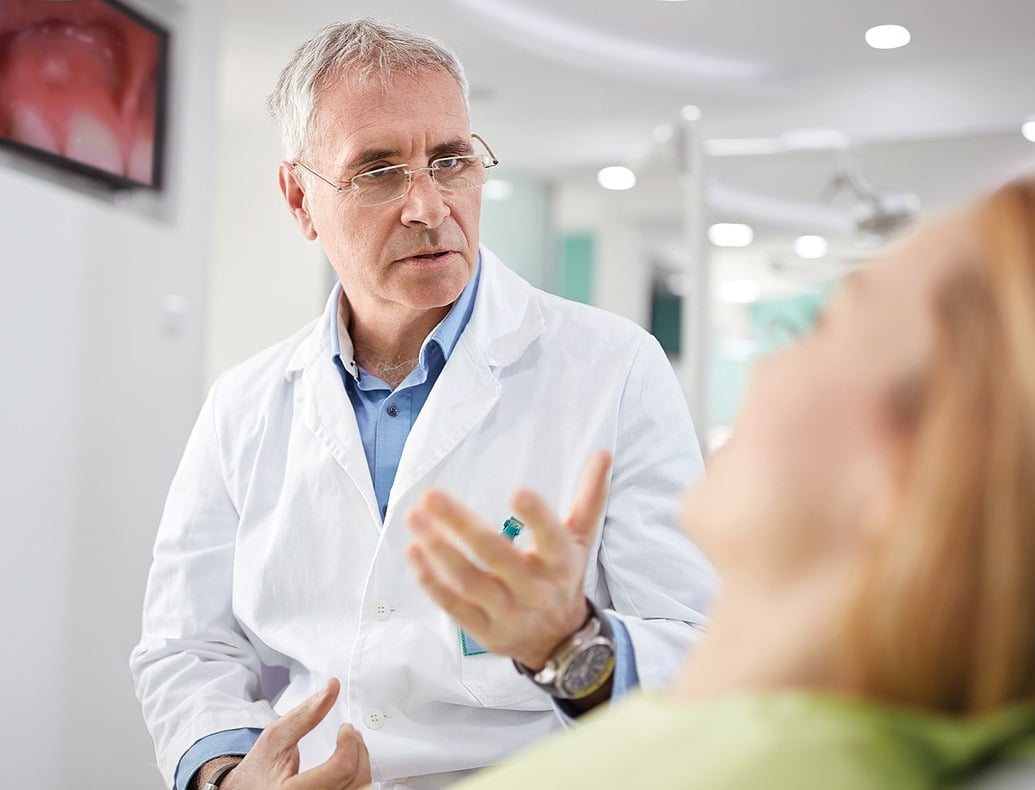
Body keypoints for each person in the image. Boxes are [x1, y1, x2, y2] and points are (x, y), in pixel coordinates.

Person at [129, 18, 715, 790]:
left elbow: (698, 642)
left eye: (451, 160)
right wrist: (227, 775)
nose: (428, 205)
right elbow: (187, 647)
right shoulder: (243, 404)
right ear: (299, 198)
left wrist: (570, 644)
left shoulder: (612, 368)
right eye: (377, 171)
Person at [406, 176, 1035, 788]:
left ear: (910, 475)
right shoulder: (750, 741)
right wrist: (564, 645)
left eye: (822, 326)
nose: (766, 364)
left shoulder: (777, 769)